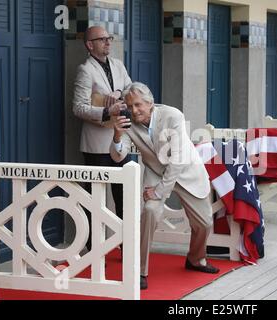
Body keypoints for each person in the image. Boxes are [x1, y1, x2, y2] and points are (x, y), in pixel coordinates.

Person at [110, 82, 220, 290]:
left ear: (150, 103)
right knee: (150, 211)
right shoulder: (126, 123)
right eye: (130, 105)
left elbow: (177, 160)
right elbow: (118, 156)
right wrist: (116, 135)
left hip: (186, 171)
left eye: (139, 105)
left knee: (204, 223)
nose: (134, 110)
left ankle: (196, 260)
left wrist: (160, 191)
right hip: (155, 171)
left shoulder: (172, 116)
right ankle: (139, 270)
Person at [73, 26, 132, 251]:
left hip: (120, 140)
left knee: (123, 194)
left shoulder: (118, 65)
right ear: (90, 45)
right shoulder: (85, 70)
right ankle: (93, 246)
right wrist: (108, 111)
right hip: (96, 144)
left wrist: (119, 95)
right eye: (102, 39)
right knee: (95, 198)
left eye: (109, 38)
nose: (108, 42)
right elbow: (78, 108)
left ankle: (125, 243)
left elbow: (131, 88)